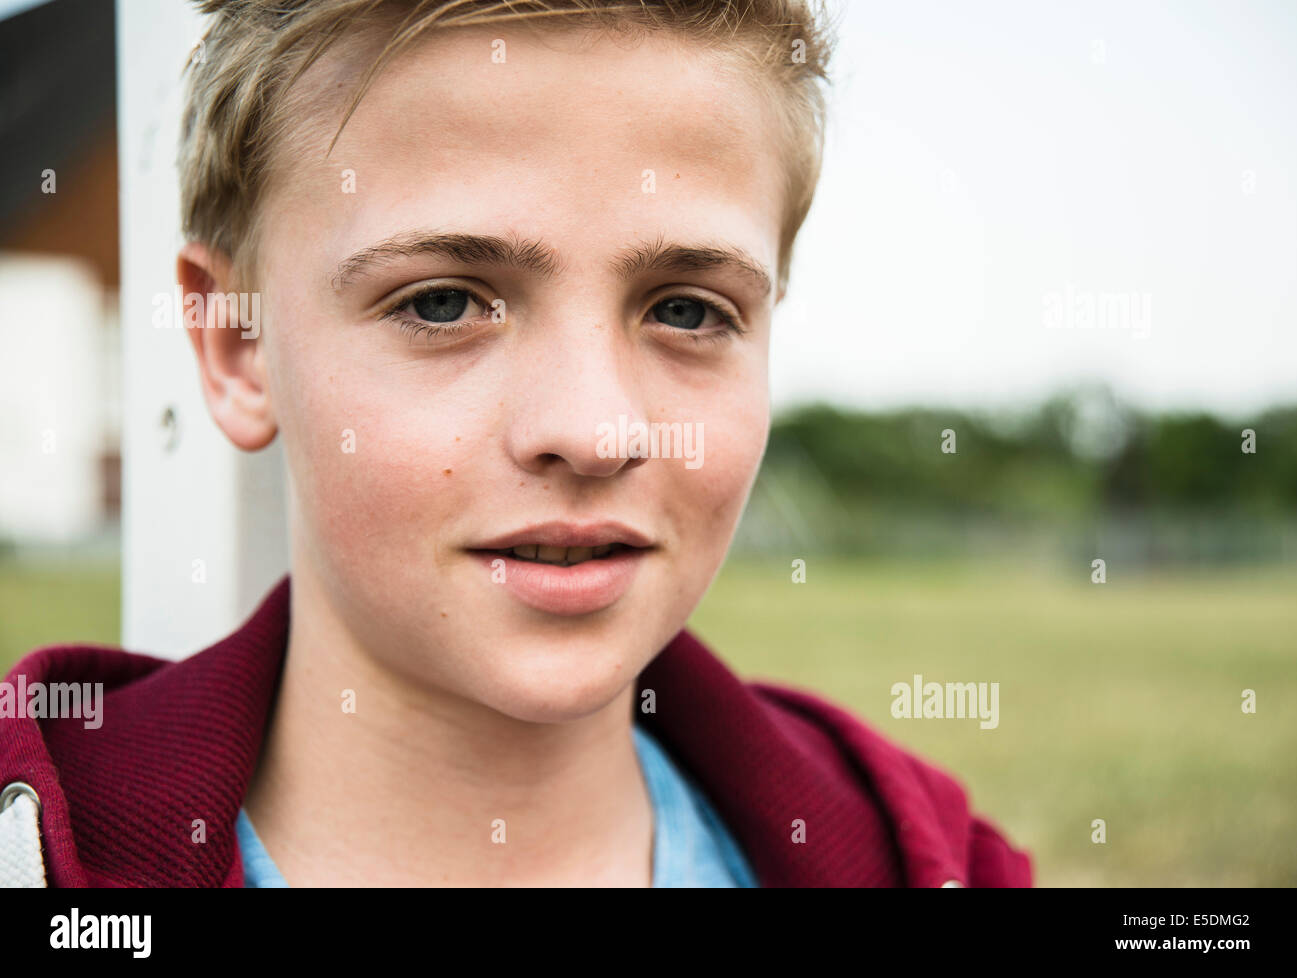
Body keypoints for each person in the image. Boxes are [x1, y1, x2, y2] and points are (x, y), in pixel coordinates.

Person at [0, 0, 1032, 887]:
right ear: (238, 345)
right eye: (443, 301)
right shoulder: (44, 850)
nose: (592, 432)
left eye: (686, 311)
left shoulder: (923, 858)